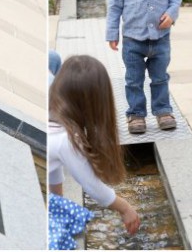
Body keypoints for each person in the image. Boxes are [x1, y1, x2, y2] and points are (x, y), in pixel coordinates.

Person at [48, 55, 140, 250]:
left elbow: (52, 165)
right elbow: (92, 186)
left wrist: (57, 201)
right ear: (97, 103)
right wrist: (125, 208)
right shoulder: (67, 140)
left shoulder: (52, 114)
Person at [106, 0, 183, 134]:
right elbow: (115, 4)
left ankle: (163, 111)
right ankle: (136, 114)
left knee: (160, 78)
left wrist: (172, 14)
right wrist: (112, 33)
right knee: (133, 80)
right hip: (133, 39)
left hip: (160, 39)